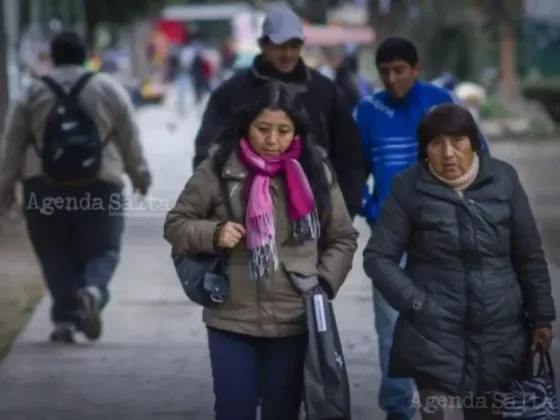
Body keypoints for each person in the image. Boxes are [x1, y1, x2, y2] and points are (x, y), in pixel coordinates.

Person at [164, 81, 358, 420]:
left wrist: (322, 285)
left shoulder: (315, 172)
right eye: (263, 129)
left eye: (284, 131)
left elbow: (342, 238)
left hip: (294, 322)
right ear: (246, 126)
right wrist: (214, 233)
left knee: (282, 412)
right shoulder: (219, 168)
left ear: (296, 131)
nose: (272, 140)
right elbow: (176, 224)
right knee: (233, 410)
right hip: (231, 319)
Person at [363, 103, 556, 420]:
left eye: (457, 141)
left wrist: (541, 317)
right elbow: (378, 258)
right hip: (435, 339)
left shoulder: (504, 179)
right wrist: (418, 303)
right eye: (436, 143)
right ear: (425, 150)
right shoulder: (408, 187)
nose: (448, 153)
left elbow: (529, 254)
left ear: (474, 142)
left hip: (502, 337)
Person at [354, 37, 488, 420]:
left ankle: (445, 406)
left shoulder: (443, 105)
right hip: (390, 241)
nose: (392, 79)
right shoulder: (368, 111)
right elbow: (350, 171)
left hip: (444, 236)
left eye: (400, 71)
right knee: (392, 331)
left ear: (416, 68)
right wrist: (368, 208)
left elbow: (481, 163)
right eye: (385, 73)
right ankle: (398, 410)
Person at [0, 31, 151, 343]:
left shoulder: (32, 91)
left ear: (53, 57)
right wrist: (140, 176)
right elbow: (129, 136)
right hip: (100, 184)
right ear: (86, 56)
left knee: (53, 250)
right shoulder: (108, 88)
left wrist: (6, 185)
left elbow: (13, 141)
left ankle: (65, 320)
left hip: (43, 186)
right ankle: (93, 290)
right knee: (105, 247)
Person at [192, 4, 364, 219]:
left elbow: (349, 156)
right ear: (263, 44)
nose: (288, 54)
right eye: (280, 46)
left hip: (314, 215)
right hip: (244, 216)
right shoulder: (232, 93)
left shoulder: (324, 92)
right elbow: (207, 153)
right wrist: (216, 209)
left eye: (294, 45)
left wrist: (344, 211)